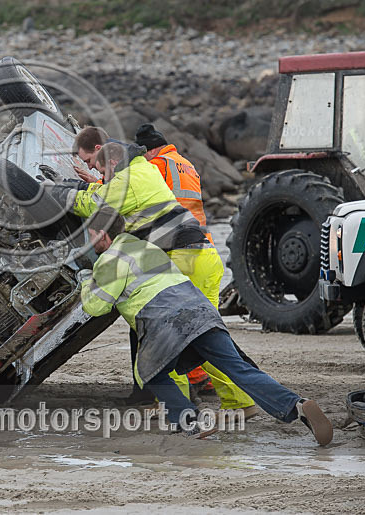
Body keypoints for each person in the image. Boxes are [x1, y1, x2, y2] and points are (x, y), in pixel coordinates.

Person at [77, 208, 334, 445]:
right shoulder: (145, 247)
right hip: (199, 309)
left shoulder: (110, 259)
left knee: (149, 371)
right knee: (238, 369)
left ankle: (192, 422)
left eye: (89, 235)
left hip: (166, 318)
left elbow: (96, 306)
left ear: (102, 234)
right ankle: (297, 405)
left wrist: (86, 278)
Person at [50, 142, 256, 415]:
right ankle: (237, 401)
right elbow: (108, 192)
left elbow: (97, 203)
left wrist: (58, 192)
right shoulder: (156, 167)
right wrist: (85, 184)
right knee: (205, 335)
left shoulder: (137, 174)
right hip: (203, 253)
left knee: (179, 336)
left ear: (113, 160)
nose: (95, 170)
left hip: (183, 258)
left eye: (97, 165)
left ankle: (178, 407)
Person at [135, 123, 251, 404]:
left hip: (180, 253)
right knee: (206, 328)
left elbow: (137, 198)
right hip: (205, 249)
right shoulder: (186, 164)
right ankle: (203, 380)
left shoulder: (156, 166)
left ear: (148, 151)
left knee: (173, 330)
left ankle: (181, 401)